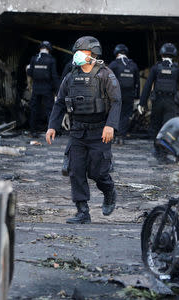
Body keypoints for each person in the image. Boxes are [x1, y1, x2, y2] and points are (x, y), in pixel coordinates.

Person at [45, 36, 121, 224]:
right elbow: (60, 102)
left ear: (93, 55)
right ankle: (82, 212)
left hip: (100, 132)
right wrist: (52, 127)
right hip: (78, 131)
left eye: (82, 52)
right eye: (77, 52)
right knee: (75, 170)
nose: (77, 56)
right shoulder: (71, 76)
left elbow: (116, 101)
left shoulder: (105, 75)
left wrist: (110, 125)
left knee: (97, 172)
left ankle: (109, 191)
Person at [137, 43, 179, 162]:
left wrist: (142, 103)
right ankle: (164, 152)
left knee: (156, 126)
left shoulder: (156, 68)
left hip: (157, 102)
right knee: (168, 127)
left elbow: (147, 86)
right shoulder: (177, 70)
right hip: (170, 103)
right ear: (174, 55)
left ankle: (157, 149)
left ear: (161, 54)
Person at [26, 41, 60, 136]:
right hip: (47, 88)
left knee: (34, 109)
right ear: (48, 49)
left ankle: (33, 130)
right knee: (49, 110)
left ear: (40, 48)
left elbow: (30, 73)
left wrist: (28, 69)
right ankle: (50, 131)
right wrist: (58, 91)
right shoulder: (51, 60)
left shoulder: (34, 59)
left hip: (36, 88)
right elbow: (54, 76)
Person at [108, 44, 140, 145]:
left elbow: (106, 80)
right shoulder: (133, 65)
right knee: (125, 115)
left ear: (116, 53)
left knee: (114, 113)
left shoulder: (113, 65)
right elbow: (137, 83)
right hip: (129, 95)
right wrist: (137, 97)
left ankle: (113, 135)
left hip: (116, 94)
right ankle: (121, 136)